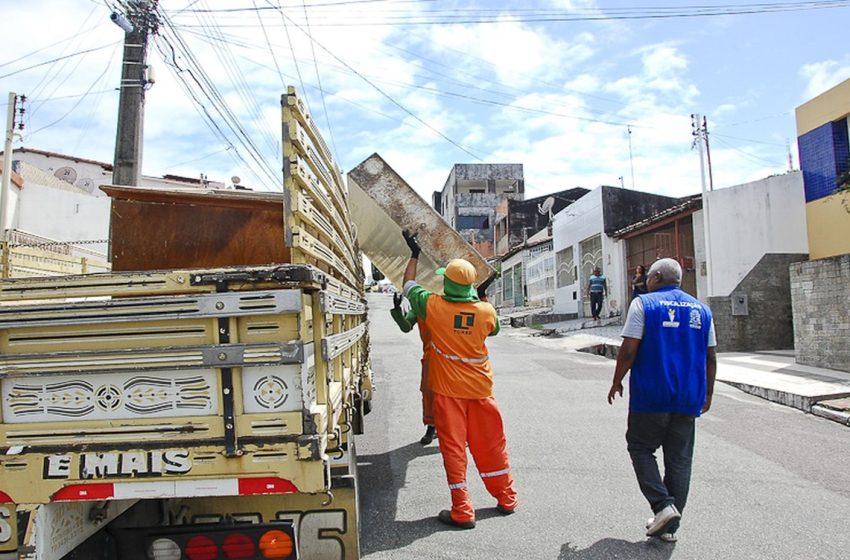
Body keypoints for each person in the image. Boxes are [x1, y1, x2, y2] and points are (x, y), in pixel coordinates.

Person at [400, 230, 518, 530]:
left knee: (454, 450)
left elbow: (408, 286)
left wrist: (414, 253)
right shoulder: (486, 312)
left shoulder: (433, 307)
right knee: (493, 446)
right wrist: (481, 295)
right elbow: (494, 330)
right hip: (482, 393)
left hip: (449, 394)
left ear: (446, 283)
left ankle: (463, 511)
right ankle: (506, 498)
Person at [607, 258, 717, 543]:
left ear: (655, 277)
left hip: (652, 394)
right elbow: (711, 356)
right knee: (679, 461)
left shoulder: (644, 304)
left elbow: (629, 349)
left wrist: (617, 379)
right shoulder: (703, 311)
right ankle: (668, 526)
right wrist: (708, 393)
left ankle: (662, 506)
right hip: (688, 396)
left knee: (640, 448)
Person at [391, 292, 437, 445]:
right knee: (429, 393)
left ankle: (461, 430)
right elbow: (406, 326)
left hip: (453, 358)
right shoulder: (420, 306)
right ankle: (432, 427)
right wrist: (397, 309)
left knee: (457, 396)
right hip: (431, 358)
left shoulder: (450, 302)